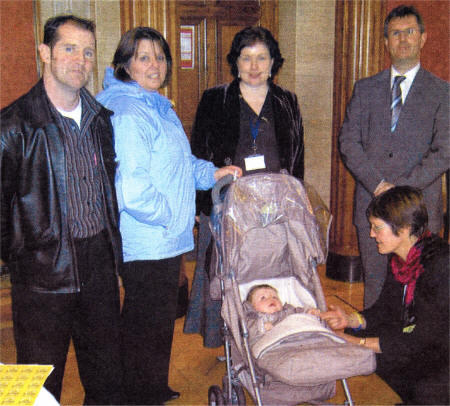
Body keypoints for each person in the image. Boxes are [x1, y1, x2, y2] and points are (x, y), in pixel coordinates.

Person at [96, 26, 241, 405]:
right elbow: (132, 189)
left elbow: (180, 162)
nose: (155, 64)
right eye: (144, 57)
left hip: (164, 235)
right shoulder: (128, 110)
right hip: (147, 238)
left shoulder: (155, 104)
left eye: (160, 56)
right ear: (125, 63)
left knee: (158, 320)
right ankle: (139, 395)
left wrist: (212, 173)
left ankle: (151, 387)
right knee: (145, 322)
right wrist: (173, 216)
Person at [0, 15, 123, 404]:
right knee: (32, 385)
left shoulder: (101, 120)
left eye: (88, 52)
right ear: (44, 53)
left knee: (106, 376)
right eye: (69, 48)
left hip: (98, 265)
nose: (80, 60)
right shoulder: (13, 126)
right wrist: (21, 257)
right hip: (41, 273)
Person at [184, 25, 304, 347]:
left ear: (273, 62)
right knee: (224, 275)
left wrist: (295, 203)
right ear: (234, 62)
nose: (254, 66)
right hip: (226, 205)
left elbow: (296, 158)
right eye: (246, 57)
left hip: (273, 208)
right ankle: (226, 339)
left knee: (268, 270)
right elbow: (198, 153)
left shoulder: (287, 101)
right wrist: (200, 207)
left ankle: (266, 331)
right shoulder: (214, 99)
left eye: (261, 57)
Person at [339, 5, 449, 309]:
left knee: (421, 288)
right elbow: (348, 142)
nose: (403, 39)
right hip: (372, 204)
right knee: (375, 284)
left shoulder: (443, 93)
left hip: (419, 209)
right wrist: (378, 185)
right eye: (395, 33)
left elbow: (444, 152)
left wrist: (399, 190)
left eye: (410, 32)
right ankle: (372, 352)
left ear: (423, 38)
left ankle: (415, 353)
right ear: (386, 41)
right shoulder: (365, 89)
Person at [320, 186, 449, 405]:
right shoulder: (400, 258)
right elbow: (385, 309)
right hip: (417, 340)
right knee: (354, 330)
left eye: (377, 228)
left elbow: (422, 339)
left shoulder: (440, 264)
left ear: (405, 228)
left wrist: (358, 343)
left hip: (441, 353)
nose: (371, 234)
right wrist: (349, 319)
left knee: (423, 387)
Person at [244, 284, 319, 346]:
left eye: (275, 297)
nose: (271, 299)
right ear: (251, 306)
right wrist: (261, 327)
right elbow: (248, 329)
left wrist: (308, 312)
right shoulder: (253, 318)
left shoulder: (287, 311)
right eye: (263, 298)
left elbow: (299, 312)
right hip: (269, 346)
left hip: (294, 342)